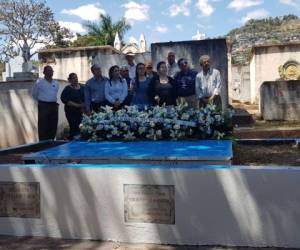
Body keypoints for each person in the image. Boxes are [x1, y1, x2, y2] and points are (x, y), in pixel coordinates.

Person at [32, 65, 59, 141]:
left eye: (51, 71)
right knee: (43, 126)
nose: (50, 72)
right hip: (43, 106)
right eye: (48, 71)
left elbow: (55, 94)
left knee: (53, 125)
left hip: (53, 106)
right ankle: (43, 144)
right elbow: (34, 94)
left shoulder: (56, 83)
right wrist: (42, 101)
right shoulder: (39, 82)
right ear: (44, 72)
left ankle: (52, 141)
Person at [60, 73, 85, 140]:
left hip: (82, 112)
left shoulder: (82, 87)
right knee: (74, 127)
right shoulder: (67, 89)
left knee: (82, 128)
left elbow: (86, 98)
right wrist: (78, 105)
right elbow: (64, 99)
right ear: (70, 80)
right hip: (71, 112)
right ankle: (72, 141)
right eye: (73, 78)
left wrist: (83, 106)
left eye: (76, 77)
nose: (75, 79)